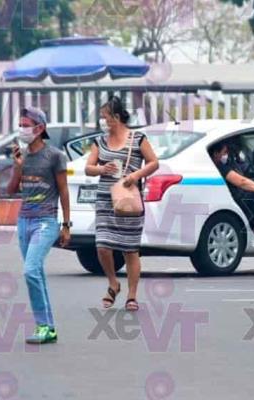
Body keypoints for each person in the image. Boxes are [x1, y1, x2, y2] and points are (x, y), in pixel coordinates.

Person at [85, 97, 159, 311]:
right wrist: (102, 169)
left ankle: (132, 295)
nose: (102, 121)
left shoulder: (137, 138)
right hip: (105, 199)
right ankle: (113, 283)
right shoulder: (100, 141)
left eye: (104, 117)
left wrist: (135, 175)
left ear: (116, 117)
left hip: (129, 198)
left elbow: (154, 162)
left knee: (130, 249)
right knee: (102, 246)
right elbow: (89, 167)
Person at [6, 106, 70, 344]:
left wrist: (66, 225)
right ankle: (47, 327)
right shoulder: (21, 156)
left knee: (30, 270)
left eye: (25, 124)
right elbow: (11, 190)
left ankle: (44, 325)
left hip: (46, 221)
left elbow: (63, 190)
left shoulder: (54, 156)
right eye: (20, 124)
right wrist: (18, 167)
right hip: (24, 221)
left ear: (40, 128)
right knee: (37, 273)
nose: (22, 129)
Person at [209, 143, 254, 234]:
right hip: (235, 201)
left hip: (229, 199)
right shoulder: (220, 167)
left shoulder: (218, 165)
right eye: (224, 152)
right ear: (215, 153)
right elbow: (241, 182)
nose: (226, 155)